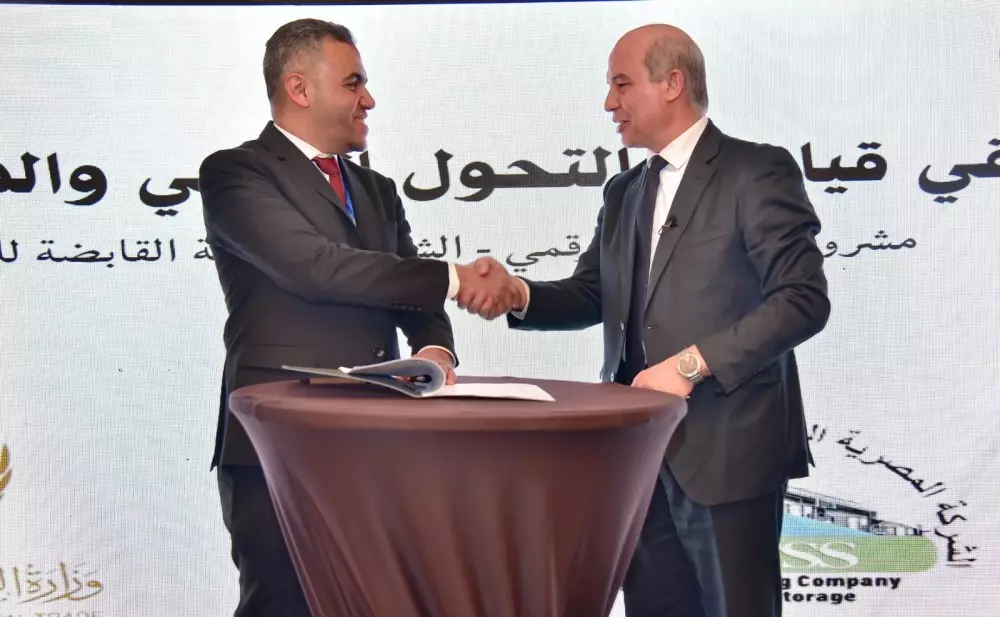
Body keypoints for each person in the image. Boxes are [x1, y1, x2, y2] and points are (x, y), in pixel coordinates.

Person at [464, 23, 830, 617]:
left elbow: (802, 300)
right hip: (638, 455)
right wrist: (517, 293)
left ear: (672, 84)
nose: (610, 103)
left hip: (729, 451)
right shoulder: (623, 191)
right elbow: (592, 293)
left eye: (622, 84)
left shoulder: (755, 170)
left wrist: (688, 367)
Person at [198, 18, 513, 616]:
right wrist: (455, 277)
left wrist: (435, 351)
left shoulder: (378, 189)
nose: (368, 99)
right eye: (353, 83)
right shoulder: (235, 172)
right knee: (282, 604)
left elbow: (410, 291)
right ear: (299, 88)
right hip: (278, 438)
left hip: (376, 439)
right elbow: (314, 268)